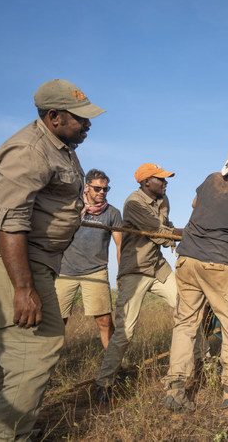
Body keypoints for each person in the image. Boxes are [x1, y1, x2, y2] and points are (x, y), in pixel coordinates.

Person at [0, 79, 104, 441]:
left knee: (7, 353)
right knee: (37, 350)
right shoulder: (29, 150)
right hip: (11, 256)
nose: (88, 124)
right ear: (54, 116)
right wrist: (23, 287)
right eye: (80, 118)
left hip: (31, 257)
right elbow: (11, 222)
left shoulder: (62, 147)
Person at [162, 142, 228, 412]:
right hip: (218, 266)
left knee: (185, 325)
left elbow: (196, 203)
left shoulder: (212, 179)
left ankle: (176, 390)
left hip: (186, 260)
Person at [95, 163, 185, 403]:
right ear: (146, 182)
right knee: (125, 331)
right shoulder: (133, 203)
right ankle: (104, 382)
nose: (166, 183)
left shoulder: (163, 201)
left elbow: (167, 227)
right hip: (135, 270)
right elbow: (159, 233)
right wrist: (194, 232)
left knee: (187, 308)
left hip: (157, 266)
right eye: (161, 179)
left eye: (165, 179)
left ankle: (199, 360)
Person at [55, 169, 122, 349]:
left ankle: (114, 367)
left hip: (96, 270)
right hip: (64, 271)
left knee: (105, 321)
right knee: (56, 320)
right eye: (97, 189)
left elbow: (119, 245)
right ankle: (42, 370)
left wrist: (121, 273)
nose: (102, 193)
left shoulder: (112, 213)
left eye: (105, 189)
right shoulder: (72, 208)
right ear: (87, 187)